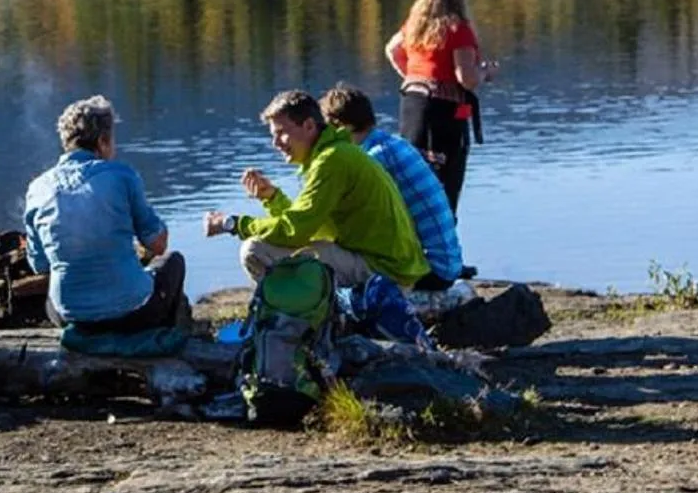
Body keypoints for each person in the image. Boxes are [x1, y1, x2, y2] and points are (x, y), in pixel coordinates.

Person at [204, 89, 429, 289]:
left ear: (309, 126)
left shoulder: (331, 161)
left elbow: (294, 231)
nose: (276, 143)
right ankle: (316, 314)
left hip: (387, 272)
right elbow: (311, 226)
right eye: (272, 135)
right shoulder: (332, 154)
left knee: (254, 250)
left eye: (281, 132)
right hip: (389, 265)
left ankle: (298, 319)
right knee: (284, 248)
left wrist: (231, 224)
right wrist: (272, 198)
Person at [21, 95, 186, 334]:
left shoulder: (37, 188)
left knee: (54, 293)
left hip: (68, 316)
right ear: (103, 141)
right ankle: (161, 340)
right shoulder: (122, 175)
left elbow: (40, 266)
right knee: (173, 262)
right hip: (133, 313)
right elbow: (158, 244)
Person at [319, 83, 465, 291]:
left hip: (427, 269)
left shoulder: (373, 159)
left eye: (326, 129)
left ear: (342, 127)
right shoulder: (392, 144)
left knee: (323, 256)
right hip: (446, 264)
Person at [385, 0, 494, 215]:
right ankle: (443, 242)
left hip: (412, 105)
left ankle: (409, 239)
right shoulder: (458, 30)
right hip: (444, 112)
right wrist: (485, 72)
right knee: (444, 184)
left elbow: (392, 49)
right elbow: (466, 79)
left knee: (411, 175)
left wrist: (413, 76)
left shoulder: (414, 25)